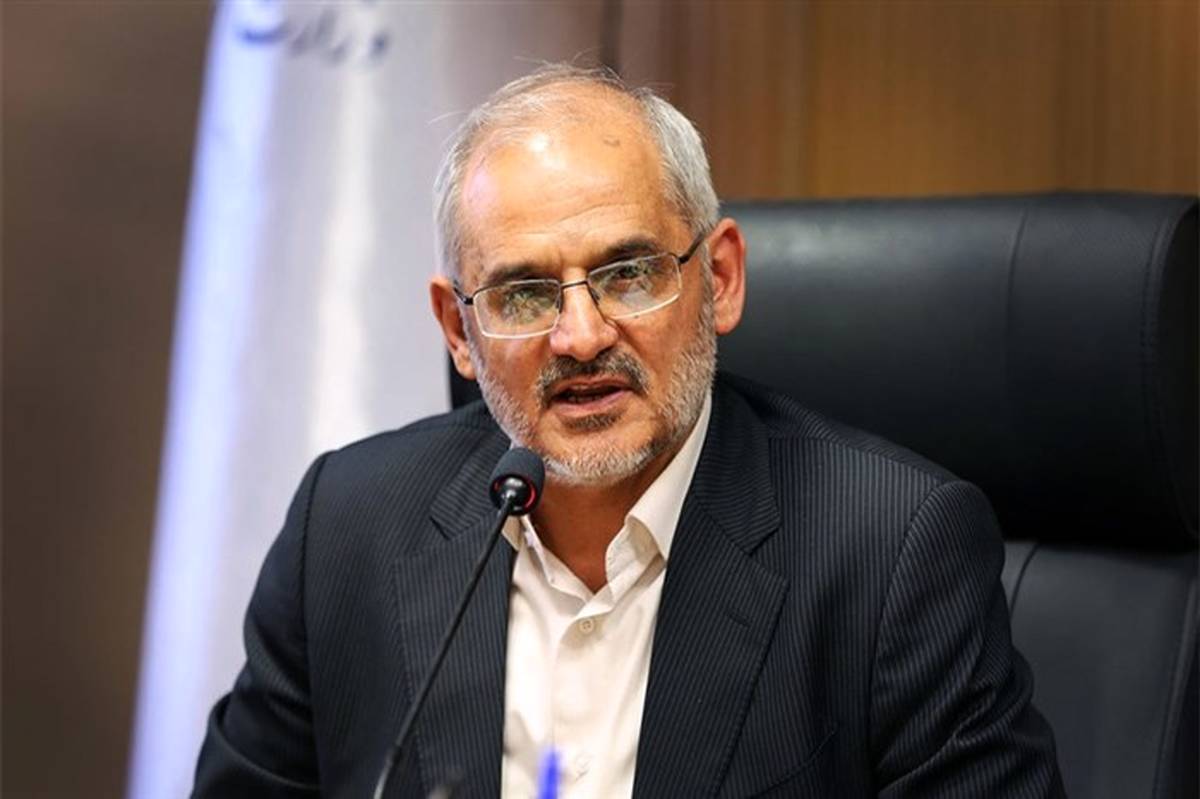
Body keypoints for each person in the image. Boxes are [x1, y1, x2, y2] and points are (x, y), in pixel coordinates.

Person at [194, 65, 1064, 798]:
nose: (580, 337)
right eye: (524, 294)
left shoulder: (892, 551)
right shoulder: (345, 527)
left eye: (629, 273)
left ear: (720, 278)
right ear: (459, 330)